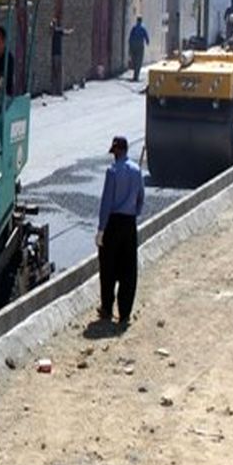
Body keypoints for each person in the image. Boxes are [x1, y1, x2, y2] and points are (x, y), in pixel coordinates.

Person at [96, 135, 145, 329]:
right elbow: (141, 198)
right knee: (128, 270)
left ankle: (107, 308)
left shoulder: (112, 171)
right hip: (129, 223)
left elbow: (106, 202)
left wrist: (101, 229)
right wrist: (134, 213)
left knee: (108, 268)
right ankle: (125, 313)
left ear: (117, 152)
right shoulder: (136, 170)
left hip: (113, 223)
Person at [50, 16, 74, 97]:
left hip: (54, 54)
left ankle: (54, 91)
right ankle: (59, 91)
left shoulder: (53, 31)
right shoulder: (57, 31)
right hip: (58, 55)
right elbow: (66, 32)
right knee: (59, 73)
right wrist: (71, 30)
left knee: (54, 73)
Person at [128, 16, 151, 82]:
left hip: (133, 45)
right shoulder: (143, 28)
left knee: (134, 59)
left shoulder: (134, 28)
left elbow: (130, 37)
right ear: (141, 21)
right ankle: (136, 76)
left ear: (137, 21)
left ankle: (134, 75)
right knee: (139, 60)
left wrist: (130, 45)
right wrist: (147, 42)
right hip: (140, 45)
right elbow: (146, 36)